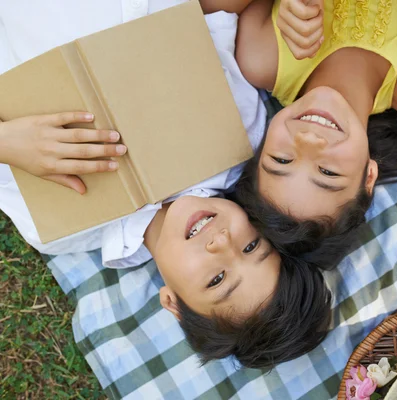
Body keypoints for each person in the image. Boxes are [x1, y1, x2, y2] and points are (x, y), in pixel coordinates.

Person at [0, 1, 332, 368]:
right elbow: (215, 14)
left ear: (172, 302)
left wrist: (7, 142)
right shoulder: (240, 135)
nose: (222, 241)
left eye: (218, 278)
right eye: (252, 245)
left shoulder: (57, 227)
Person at [227, 0, 397, 265]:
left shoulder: (260, 56)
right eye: (327, 172)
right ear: (368, 176)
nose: (308, 140)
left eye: (282, 160)